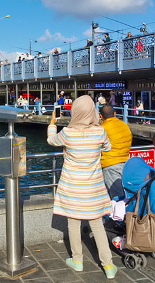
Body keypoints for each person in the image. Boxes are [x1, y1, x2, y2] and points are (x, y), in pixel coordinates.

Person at [47, 95, 117, 279]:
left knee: (73, 222)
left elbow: (51, 140)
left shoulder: (68, 133)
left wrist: (53, 122)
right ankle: (108, 265)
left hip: (72, 187)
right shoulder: (100, 132)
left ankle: (77, 260)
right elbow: (108, 148)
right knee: (97, 225)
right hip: (93, 188)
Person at [100, 106, 133, 199]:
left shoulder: (102, 129)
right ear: (115, 114)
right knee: (126, 194)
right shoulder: (124, 125)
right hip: (125, 163)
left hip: (110, 164)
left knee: (117, 198)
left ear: (101, 116)